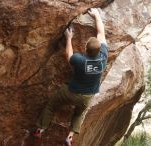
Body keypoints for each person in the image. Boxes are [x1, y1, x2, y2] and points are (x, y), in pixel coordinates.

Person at [32, 8, 108, 146]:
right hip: (86, 97)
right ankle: (70, 137)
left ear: (86, 49)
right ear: (99, 50)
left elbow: (69, 55)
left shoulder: (80, 60)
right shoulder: (103, 57)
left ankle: (40, 129)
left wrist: (69, 38)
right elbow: (101, 33)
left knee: (51, 106)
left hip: (69, 92)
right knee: (79, 114)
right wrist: (97, 16)